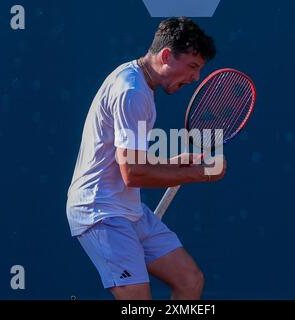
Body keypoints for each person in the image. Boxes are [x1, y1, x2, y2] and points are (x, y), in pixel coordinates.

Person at [66, 17, 226, 300]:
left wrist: (173, 162)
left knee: (189, 281)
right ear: (166, 56)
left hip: (129, 209)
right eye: (192, 66)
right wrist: (202, 174)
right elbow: (134, 174)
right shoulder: (132, 91)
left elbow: (129, 161)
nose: (195, 78)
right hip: (100, 211)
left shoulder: (139, 84)